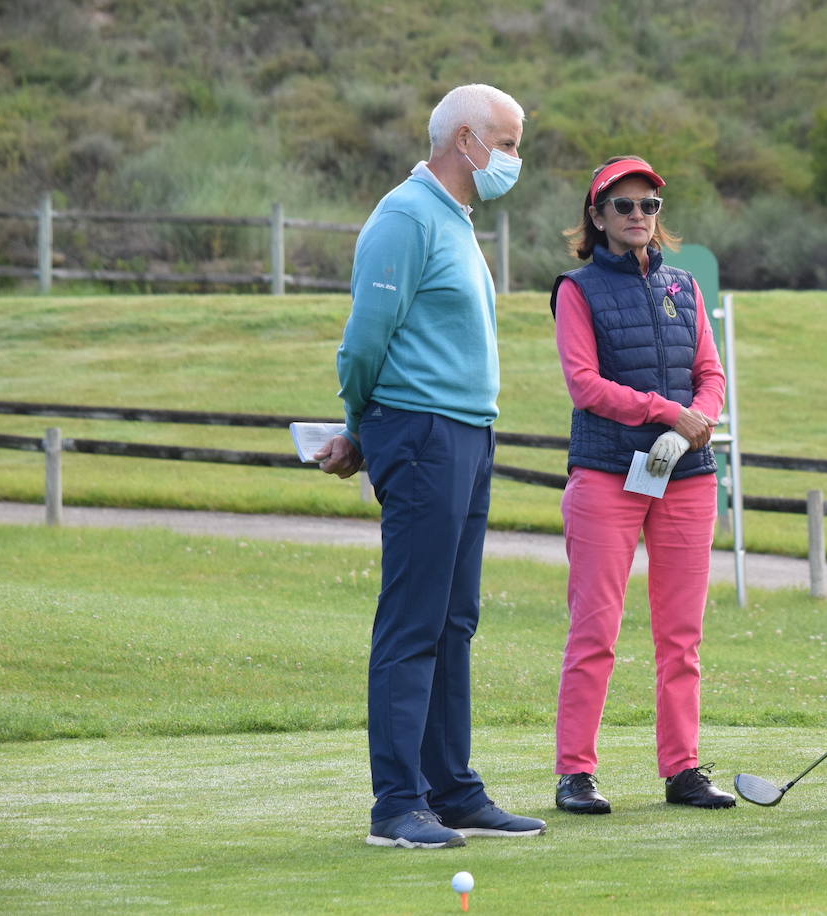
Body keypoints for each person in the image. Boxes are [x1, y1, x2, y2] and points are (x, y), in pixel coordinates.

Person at [315, 83, 546, 849]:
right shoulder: (407, 217)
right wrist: (357, 429)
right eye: (508, 143)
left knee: (455, 620)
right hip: (419, 432)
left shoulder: (454, 220)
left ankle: (451, 790)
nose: (514, 159)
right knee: (414, 621)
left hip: (469, 434)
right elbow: (363, 341)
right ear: (465, 140)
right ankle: (396, 806)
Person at [549, 156, 734, 814]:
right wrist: (666, 412)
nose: (637, 217)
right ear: (596, 217)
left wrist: (699, 420)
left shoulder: (683, 287)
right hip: (606, 474)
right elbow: (585, 385)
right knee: (595, 630)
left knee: (681, 637)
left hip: (686, 476)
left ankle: (682, 769)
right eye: (622, 206)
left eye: (648, 206)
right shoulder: (576, 289)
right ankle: (575, 772)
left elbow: (710, 374)